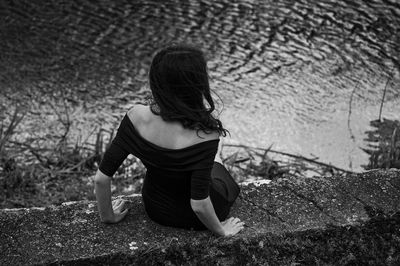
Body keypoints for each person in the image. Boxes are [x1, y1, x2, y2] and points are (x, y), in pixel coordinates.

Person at [94, 44, 244, 237]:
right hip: (201, 217)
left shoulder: (136, 116)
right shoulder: (206, 134)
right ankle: (213, 161)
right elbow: (198, 205)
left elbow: (101, 178)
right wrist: (222, 231)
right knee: (220, 173)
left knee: (204, 162)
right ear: (196, 85)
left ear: (156, 81)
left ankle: (209, 161)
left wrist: (108, 216)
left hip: (156, 210)